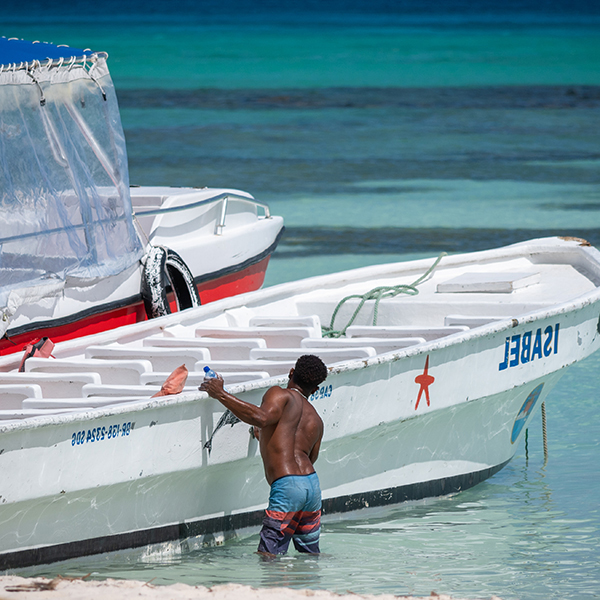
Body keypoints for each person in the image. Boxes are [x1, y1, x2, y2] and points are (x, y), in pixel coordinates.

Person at [200, 354, 328, 556]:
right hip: (312, 487)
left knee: (269, 555)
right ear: (316, 389)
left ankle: (271, 586)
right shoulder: (316, 419)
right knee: (310, 556)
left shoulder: (280, 395)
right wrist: (266, 439)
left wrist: (220, 394)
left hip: (287, 486)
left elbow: (261, 417)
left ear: (291, 373)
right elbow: (307, 455)